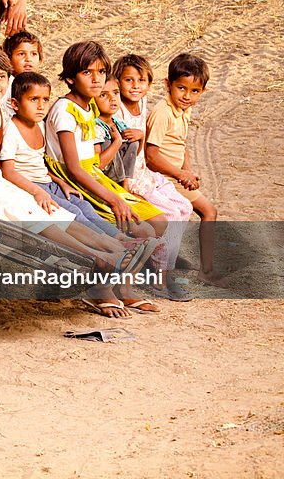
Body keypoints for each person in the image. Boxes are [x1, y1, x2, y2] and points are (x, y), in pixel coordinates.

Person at [0, 48, 144, 278]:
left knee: (51, 208)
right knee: (32, 213)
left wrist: (39, 190)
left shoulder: (1, 109)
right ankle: (101, 258)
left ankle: (114, 248)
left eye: (0, 77)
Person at [44, 41, 168, 316]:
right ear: (70, 77)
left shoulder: (89, 107)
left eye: (101, 72)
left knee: (156, 223)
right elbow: (74, 168)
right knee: (139, 229)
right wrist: (113, 199)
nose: (96, 78)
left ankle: (122, 287)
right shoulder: (65, 110)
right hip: (76, 179)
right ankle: (103, 290)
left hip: (94, 175)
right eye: (88, 72)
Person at [1, 72, 133, 243]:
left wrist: (61, 183)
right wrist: (37, 191)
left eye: (45, 100)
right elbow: (8, 172)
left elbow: (41, 164)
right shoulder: (11, 130)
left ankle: (119, 237)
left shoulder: (40, 125)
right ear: (15, 104)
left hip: (47, 182)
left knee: (83, 204)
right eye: (34, 100)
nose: (41, 106)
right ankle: (111, 244)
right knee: (73, 212)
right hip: (29, 185)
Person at [114, 53, 195, 300]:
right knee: (168, 215)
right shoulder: (117, 108)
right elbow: (124, 151)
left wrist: (141, 134)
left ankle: (162, 264)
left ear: (149, 84)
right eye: (129, 80)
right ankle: (160, 279)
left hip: (145, 172)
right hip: (129, 177)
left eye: (141, 81)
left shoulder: (143, 102)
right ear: (117, 82)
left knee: (184, 206)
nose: (135, 86)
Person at [145, 53, 227, 289]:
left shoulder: (183, 109)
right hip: (163, 177)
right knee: (209, 211)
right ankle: (207, 271)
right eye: (181, 88)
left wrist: (188, 172)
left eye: (194, 91)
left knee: (190, 211)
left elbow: (182, 144)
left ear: (202, 91)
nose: (187, 96)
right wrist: (181, 175)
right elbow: (151, 156)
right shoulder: (163, 112)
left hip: (176, 175)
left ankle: (173, 257)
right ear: (167, 85)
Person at [94, 77, 138, 186]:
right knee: (108, 142)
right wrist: (117, 141)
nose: (112, 98)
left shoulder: (118, 122)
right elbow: (97, 165)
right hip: (103, 180)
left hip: (122, 180)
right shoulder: (95, 126)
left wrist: (140, 137)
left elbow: (132, 154)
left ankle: (124, 186)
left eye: (115, 93)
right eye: (103, 95)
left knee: (131, 141)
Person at [0, 30, 42, 119]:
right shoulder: (6, 85)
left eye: (33, 54)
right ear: (8, 59)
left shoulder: (39, 84)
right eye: (21, 54)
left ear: (40, 60)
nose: (28, 59)